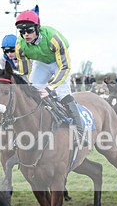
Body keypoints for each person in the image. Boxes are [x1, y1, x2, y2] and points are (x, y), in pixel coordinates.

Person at [12, 10, 84, 139]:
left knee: (62, 93)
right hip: (41, 64)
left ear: (37, 28)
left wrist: (50, 88)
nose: (26, 35)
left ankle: (79, 131)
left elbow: (65, 67)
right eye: (22, 32)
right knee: (31, 90)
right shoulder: (20, 45)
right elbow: (24, 73)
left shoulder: (53, 39)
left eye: (29, 31)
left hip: (59, 64)